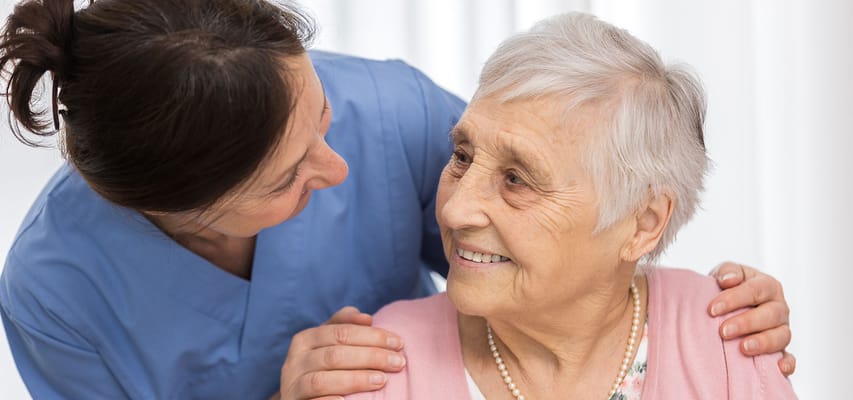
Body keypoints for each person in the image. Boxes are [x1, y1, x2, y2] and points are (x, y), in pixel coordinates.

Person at [0, 1, 792, 399]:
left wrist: (701, 316)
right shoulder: (56, 294)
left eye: (321, 116)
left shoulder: (393, 111)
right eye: (288, 179)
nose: (339, 169)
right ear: (178, 211)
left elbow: (569, 214)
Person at [346, 12, 796, 400]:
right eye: (462, 156)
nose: (454, 210)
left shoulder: (728, 336)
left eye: (517, 179)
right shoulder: (376, 365)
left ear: (643, 223)